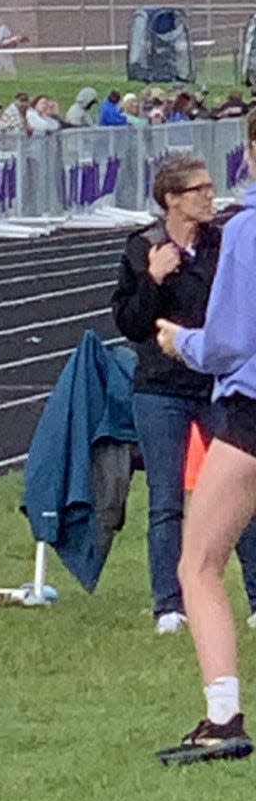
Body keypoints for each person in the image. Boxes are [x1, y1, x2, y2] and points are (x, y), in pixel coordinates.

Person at [113, 154, 256, 640]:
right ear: (172, 198)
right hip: (160, 389)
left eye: (212, 188)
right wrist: (153, 279)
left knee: (241, 493)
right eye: (199, 190)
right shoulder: (142, 248)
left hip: (215, 385)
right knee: (166, 498)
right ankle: (170, 605)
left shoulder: (224, 244)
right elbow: (131, 324)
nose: (210, 197)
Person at [155, 112, 256, 764]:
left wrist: (178, 340)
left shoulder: (246, 231)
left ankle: (223, 717)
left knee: (199, 562)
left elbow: (227, 343)